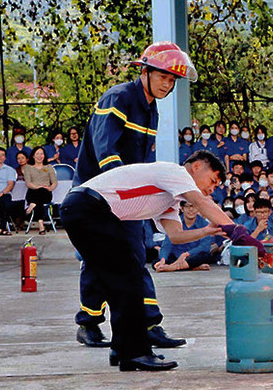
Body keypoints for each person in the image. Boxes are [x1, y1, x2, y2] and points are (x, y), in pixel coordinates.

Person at [60, 152, 264, 371]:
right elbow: (201, 201)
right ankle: (135, 353)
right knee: (129, 278)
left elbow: (175, 234)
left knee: (122, 279)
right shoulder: (176, 173)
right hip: (89, 208)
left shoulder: (170, 196)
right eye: (212, 181)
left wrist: (206, 231)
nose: (212, 188)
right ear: (196, 167)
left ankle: (123, 349)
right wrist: (238, 232)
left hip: (86, 211)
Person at [72, 41, 197, 354]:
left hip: (127, 195)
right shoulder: (119, 98)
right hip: (98, 194)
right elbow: (106, 151)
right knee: (103, 256)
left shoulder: (150, 109)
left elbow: (139, 160)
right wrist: (124, 189)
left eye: (172, 80)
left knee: (135, 253)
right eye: (163, 77)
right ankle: (89, 321)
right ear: (145, 71)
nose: (168, 85)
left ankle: (149, 323)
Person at [154, 200, 226, 272]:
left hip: (193, 256)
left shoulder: (204, 224)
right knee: (156, 262)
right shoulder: (174, 222)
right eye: (187, 206)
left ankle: (173, 267)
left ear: (198, 209)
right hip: (176, 256)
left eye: (193, 206)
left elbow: (204, 246)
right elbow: (167, 244)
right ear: (182, 208)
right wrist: (162, 260)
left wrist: (186, 254)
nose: (191, 209)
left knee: (206, 256)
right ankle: (192, 267)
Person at [22, 146, 58, 235]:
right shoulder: (28, 168)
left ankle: (33, 204)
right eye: (37, 154)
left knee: (40, 196)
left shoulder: (49, 167)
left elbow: (54, 182)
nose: (39, 156)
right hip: (32, 192)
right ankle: (41, 225)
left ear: (44, 156)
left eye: (41, 154)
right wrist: (39, 187)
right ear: (33, 156)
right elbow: (28, 183)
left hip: (45, 193)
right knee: (39, 197)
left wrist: (50, 188)